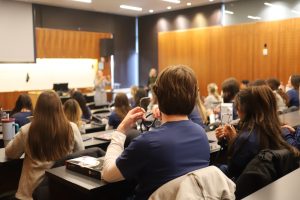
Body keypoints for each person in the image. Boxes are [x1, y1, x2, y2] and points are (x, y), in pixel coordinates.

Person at [102, 65, 210, 200]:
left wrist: (121, 130)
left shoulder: (148, 143)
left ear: (157, 95)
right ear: (195, 95)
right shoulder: (201, 134)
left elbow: (107, 174)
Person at [5, 91, 84, 200]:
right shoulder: (72, 128)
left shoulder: (27, 130)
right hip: (60, 189)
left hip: (30, 193)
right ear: (60, 108)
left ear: (37, 108)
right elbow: (80, 154)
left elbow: (10, 153)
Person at [215, 86, 299, 179]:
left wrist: (232, 142)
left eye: (238, 107)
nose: (237, 111)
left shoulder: (246, 139)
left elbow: (232, 171)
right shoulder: (278, 130)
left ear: (246, 109)